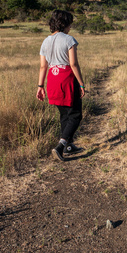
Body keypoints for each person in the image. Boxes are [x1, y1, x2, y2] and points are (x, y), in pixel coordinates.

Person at [37, 10, 86, 160]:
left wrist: (40, 86)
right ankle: (60, 146)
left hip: (52, 78)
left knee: (64, 114)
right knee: (76, 114)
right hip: (66, 78)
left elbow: (43, 67)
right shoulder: (69, 40)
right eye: (70, 23)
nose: (71, 26)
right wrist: (81, 84)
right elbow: (73, 64)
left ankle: (69, 146)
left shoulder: (45, 41)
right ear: (65, 23)